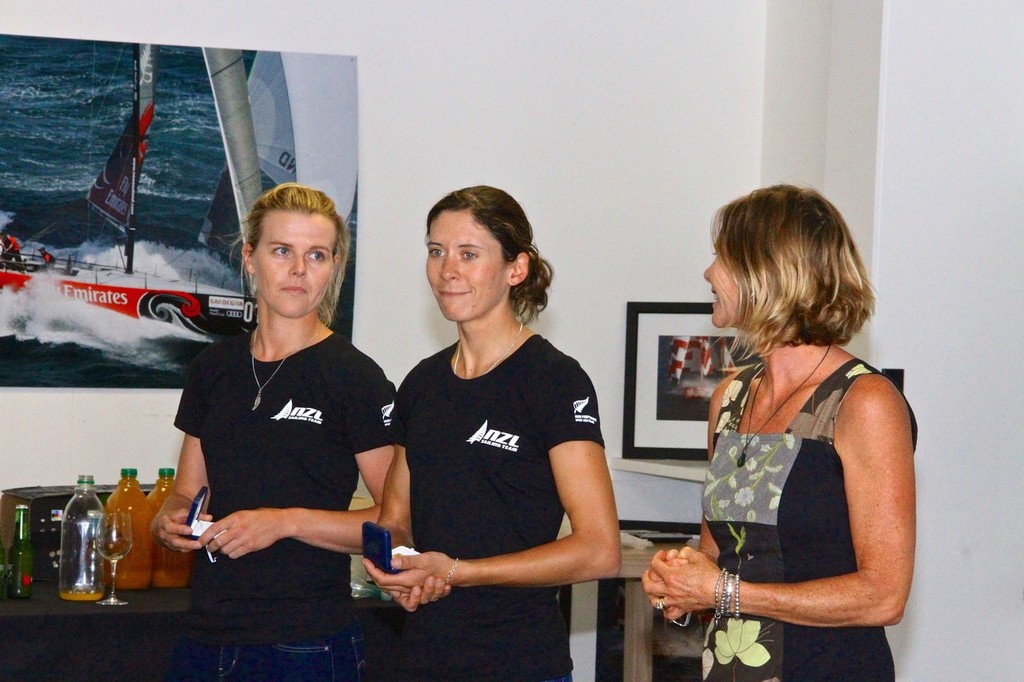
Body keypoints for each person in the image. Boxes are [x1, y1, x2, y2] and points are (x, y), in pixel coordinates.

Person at [642, 185, 917, 681]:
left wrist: (723, 592)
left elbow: (884, 596)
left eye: (722, 258)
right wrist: (681, 583)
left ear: (766, 272)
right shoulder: (730, 396)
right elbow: (717, 555)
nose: (708, 273)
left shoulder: (865, 402)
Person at [363, 185, 621, 681]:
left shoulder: (554, 380)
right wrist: (397, 566)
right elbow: (396, 518)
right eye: (436, 251)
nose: (447, 270)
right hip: (424, 659)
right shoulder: (421, 383)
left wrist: (458, 571)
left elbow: (599, 549)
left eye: (469, 254)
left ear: (516, 269)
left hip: (520, 662)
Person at [152, 183, 396, 681]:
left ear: (333, 268)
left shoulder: (354, 377)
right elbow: (186, 493)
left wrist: (284, 521)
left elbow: (397, 523)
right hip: (206, 637)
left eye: (317, 255)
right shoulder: (212, 368)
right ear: (249, 257)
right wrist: (170, 520)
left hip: (307, 643)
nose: (299, 270)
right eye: (282, 250)